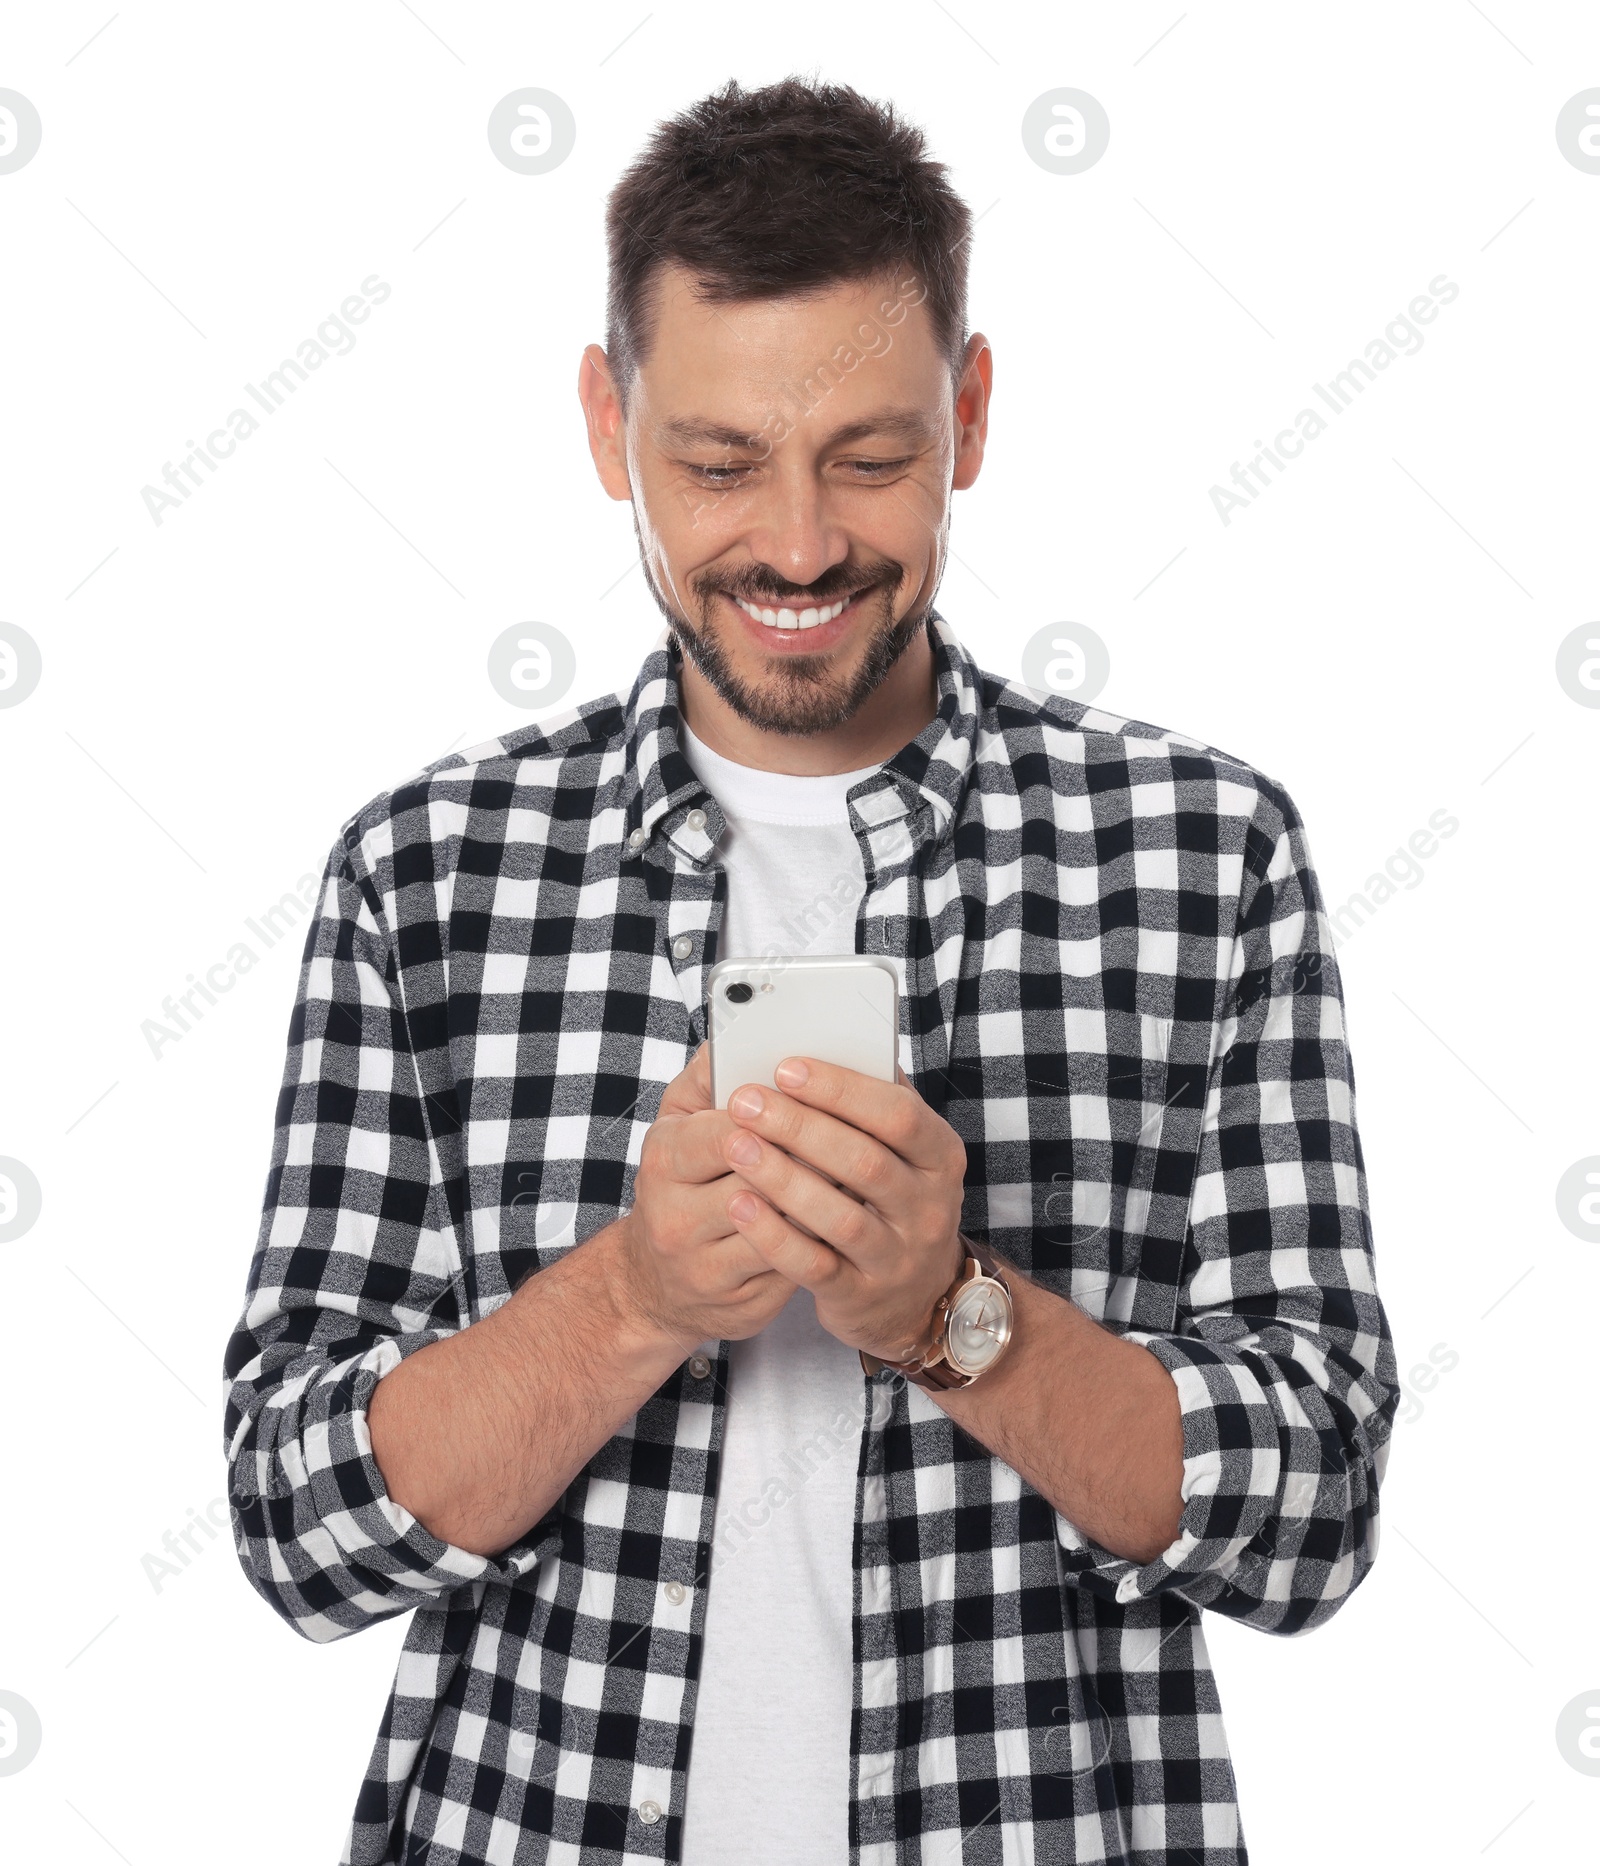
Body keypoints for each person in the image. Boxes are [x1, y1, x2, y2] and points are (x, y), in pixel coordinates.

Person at [223, 75, 1398, 1866]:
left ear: (971, 414)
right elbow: (296, 1526)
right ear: (609, 422)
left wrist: (954, 1317)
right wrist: (632, 1294)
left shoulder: (1204, 849)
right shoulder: (429, 873)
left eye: (868, 454)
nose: (794, 542)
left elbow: (1310, 1508)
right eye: (716, 462)